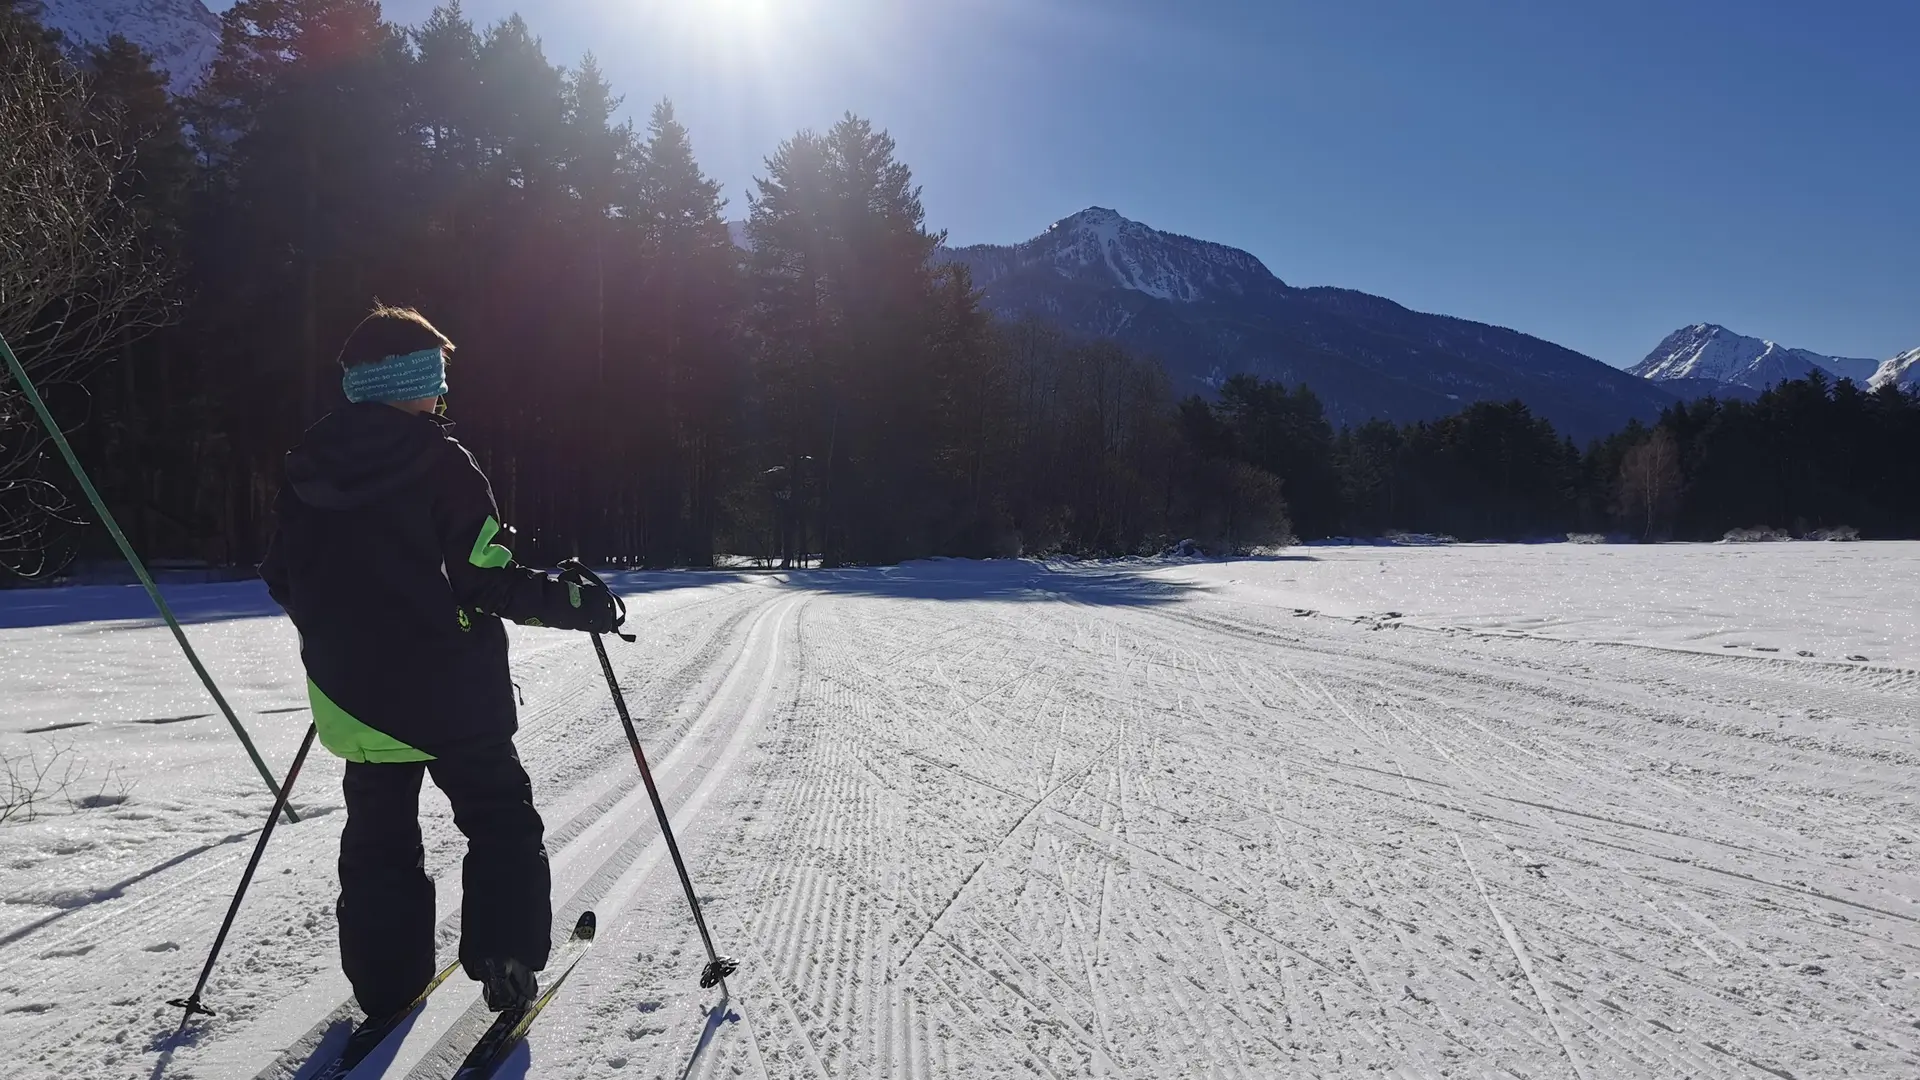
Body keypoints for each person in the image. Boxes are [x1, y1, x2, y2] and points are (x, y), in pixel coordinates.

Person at [260, 304, 621, 1020]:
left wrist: (345, 630)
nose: (443, 393)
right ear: (415, 382)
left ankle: (384, 984)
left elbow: (281, 574)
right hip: (451, 693)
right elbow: (484, 576)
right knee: (498, 818)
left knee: (378, 836)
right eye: (437, 378)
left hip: (353, 695)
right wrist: (574, 605)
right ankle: (505, 956)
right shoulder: (440, 459)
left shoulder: (310, 462)